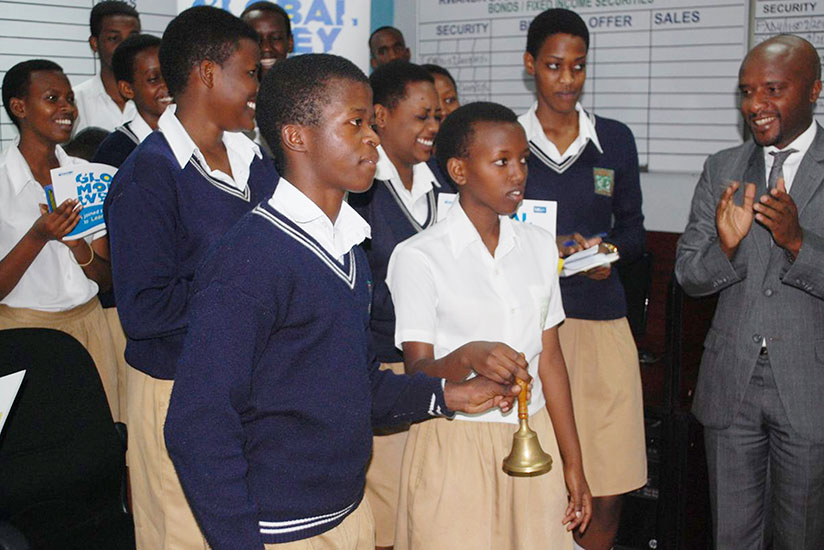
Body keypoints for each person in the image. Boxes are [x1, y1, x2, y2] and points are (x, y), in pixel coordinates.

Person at [164, 52, 521, 550]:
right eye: (356, 124)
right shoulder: (250, 260)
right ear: (296, 137)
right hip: (279, 532)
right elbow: (198, 423)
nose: (373, 137)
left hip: (347, 515)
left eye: (371, 122)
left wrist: (448, 395)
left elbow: (354, 381)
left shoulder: (349, 244)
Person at [104, 7, 278, 549]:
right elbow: (145, 310)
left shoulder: (253, 161)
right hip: (178, 391)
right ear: (207, 74)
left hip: (248, 386)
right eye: (249, 73)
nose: (257, 87)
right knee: (186, 536)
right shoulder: (150, 176)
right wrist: (247, 293)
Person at [387, 101, 592, 550]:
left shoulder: (539, 247)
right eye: (501, 162)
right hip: (454, 441)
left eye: (522, 161)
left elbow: (551, 361)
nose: (517, 174)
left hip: (533, 440)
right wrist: (466, 356)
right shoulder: (419, 256)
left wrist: (572, 463)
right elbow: (417, 373)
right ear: (459, 170)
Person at [675, 34, 824, 550]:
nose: (755, 105)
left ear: (813, 91)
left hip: (811, 389)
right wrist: (727, 247)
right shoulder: (722, 168)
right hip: (729, 385)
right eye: (747, 91)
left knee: (800, 538)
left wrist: (798, 242)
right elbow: (690, 277)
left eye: (772, 90)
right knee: (730, 538)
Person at [519, 9, 647, 550]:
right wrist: (538, 249)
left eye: (578, 67)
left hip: (600, 317)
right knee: (541, 484)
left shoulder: (612, 140)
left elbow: (634, 230)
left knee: (610, 481)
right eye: (554, 66)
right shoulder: (509, 140)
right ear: (531, 66)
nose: (567, 80)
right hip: (530, 327)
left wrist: (608, 252)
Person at [348, 60, 444, 550]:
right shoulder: (360, 190)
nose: (433, 128)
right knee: (383, 517)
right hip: (383, 365)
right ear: (381, 117)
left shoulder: (444, 188)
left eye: (438, 117)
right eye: (422, 117)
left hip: (438, 367)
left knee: (425, 515)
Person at [0, 60, 118, 419]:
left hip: (90, 327)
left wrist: (77, 245)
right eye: (53, 98)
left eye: (69, 98)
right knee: (33, 456)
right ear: (19, 107)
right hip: (23, 333)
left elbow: (107, 278)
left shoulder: (88, 177)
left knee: (99, 449)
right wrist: (38, 235)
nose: (67, 108)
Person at [93, 34, 170, 168]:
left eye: (170, 74)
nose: (166, 85)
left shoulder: (197, 136)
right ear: (127, 89)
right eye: (153, 79)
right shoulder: (114, 153)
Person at [73, 1, 141, 135]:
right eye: (114, 38)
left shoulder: (155, 100)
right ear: (94, 43)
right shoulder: (76, 103)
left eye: (133, 38)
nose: (125, 46)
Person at [241, 1, 294, 78]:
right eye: (256, 39)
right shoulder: (228, 88)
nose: (266, 48)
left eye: (275, 38)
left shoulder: (308, 87)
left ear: (290, 43)